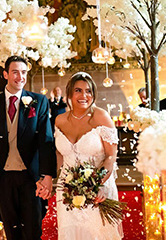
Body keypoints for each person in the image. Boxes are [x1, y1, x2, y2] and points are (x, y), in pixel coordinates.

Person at [0, 56, 56, 240]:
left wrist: (48, 176)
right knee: (11, 233)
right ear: (5, 74)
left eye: (23, 72)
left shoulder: (38, 101)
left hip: (31, 178)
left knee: (32, 232)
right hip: (3, 178)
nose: (20, 77)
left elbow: (46, 141)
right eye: (15, 72)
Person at [54, 72, 121, 239]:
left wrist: (99, 185)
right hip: (66, 191)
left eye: (88, 91)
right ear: (69, 93)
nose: (84, 95)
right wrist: (46, 178)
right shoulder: (59, 120)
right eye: (78, 90)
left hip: (99, 189)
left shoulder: (101, 117)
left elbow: (111, 156)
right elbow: (60, 155)